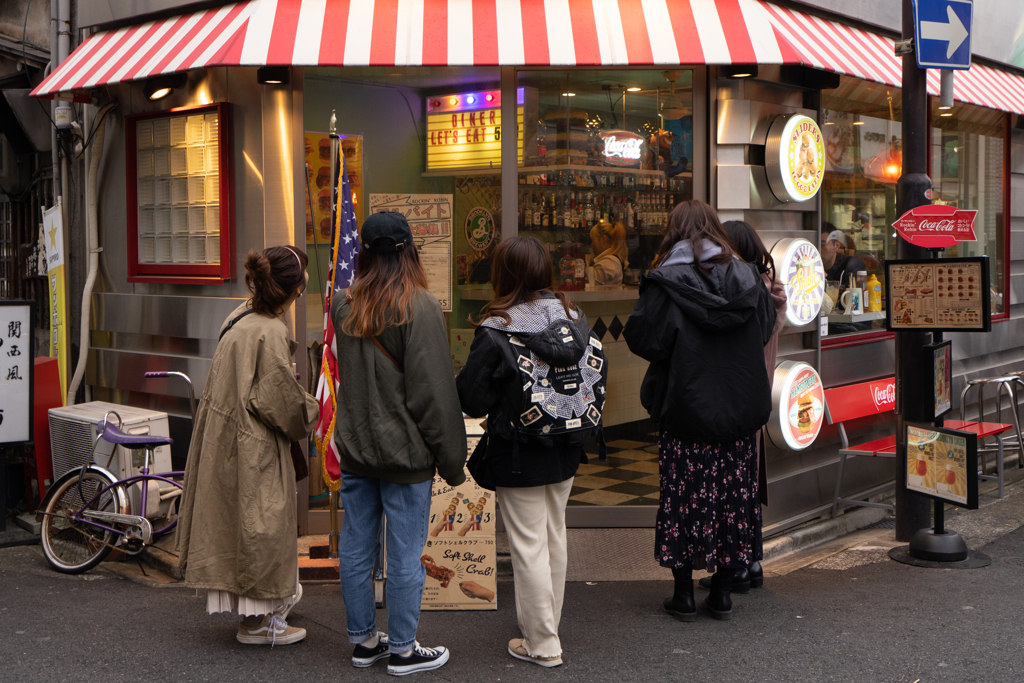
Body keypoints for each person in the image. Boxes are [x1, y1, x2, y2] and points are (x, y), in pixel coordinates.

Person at [623, 200, 776, 622]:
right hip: (740, 412)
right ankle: (723, 593)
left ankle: (684, 595)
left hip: (685, 409)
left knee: (683, 500)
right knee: (733, 500)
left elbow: (644, 341)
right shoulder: (747, 276)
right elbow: (763, 331)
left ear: (674, 232)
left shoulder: (665, 282)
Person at [332, 211, 467, 676]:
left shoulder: (341, 304)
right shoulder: (420, 306)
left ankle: (364, 641)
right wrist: (454, 461)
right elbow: (432, 395)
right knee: (405, 555)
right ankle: (405, 651)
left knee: (356, 547)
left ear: (365, 253)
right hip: (405, 454)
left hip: (356, 449)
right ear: (410, 250)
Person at [456, 236, 600, 668]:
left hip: (518, 448)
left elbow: (472, 399)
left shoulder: (498, 326)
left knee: (528, 544)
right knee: (554, 533)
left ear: (503, 274)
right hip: (568, 439)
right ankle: (545, 627)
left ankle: (542, 643)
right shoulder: (573, 316)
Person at [177, 245, 318, 646]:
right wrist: (313, 410)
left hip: (224, 439)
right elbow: (278, 402)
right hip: (251, 443)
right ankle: (263, 624)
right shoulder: (270, 330)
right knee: (263, 528)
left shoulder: (241, 315)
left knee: (237, 527)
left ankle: (251, 621)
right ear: (295, 288)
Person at [692, 220, 788, 594]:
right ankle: (751, 561)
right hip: (758, 394)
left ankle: (738, 566)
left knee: (734, 484)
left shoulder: (744, 292)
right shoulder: (770, 288)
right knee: (748, 482)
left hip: (737, 394)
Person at [821, 223, 866, 287]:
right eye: (814, 245)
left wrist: (824, 276)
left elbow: (850, 294)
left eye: (822, 245)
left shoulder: (851, 265)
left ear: (836, 246)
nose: (818, 249)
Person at [589, 221, 628, 285]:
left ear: (603, 239)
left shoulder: (607, 263)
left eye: (593, 239)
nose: (591, 244)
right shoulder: (612, 260)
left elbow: (591, 289)